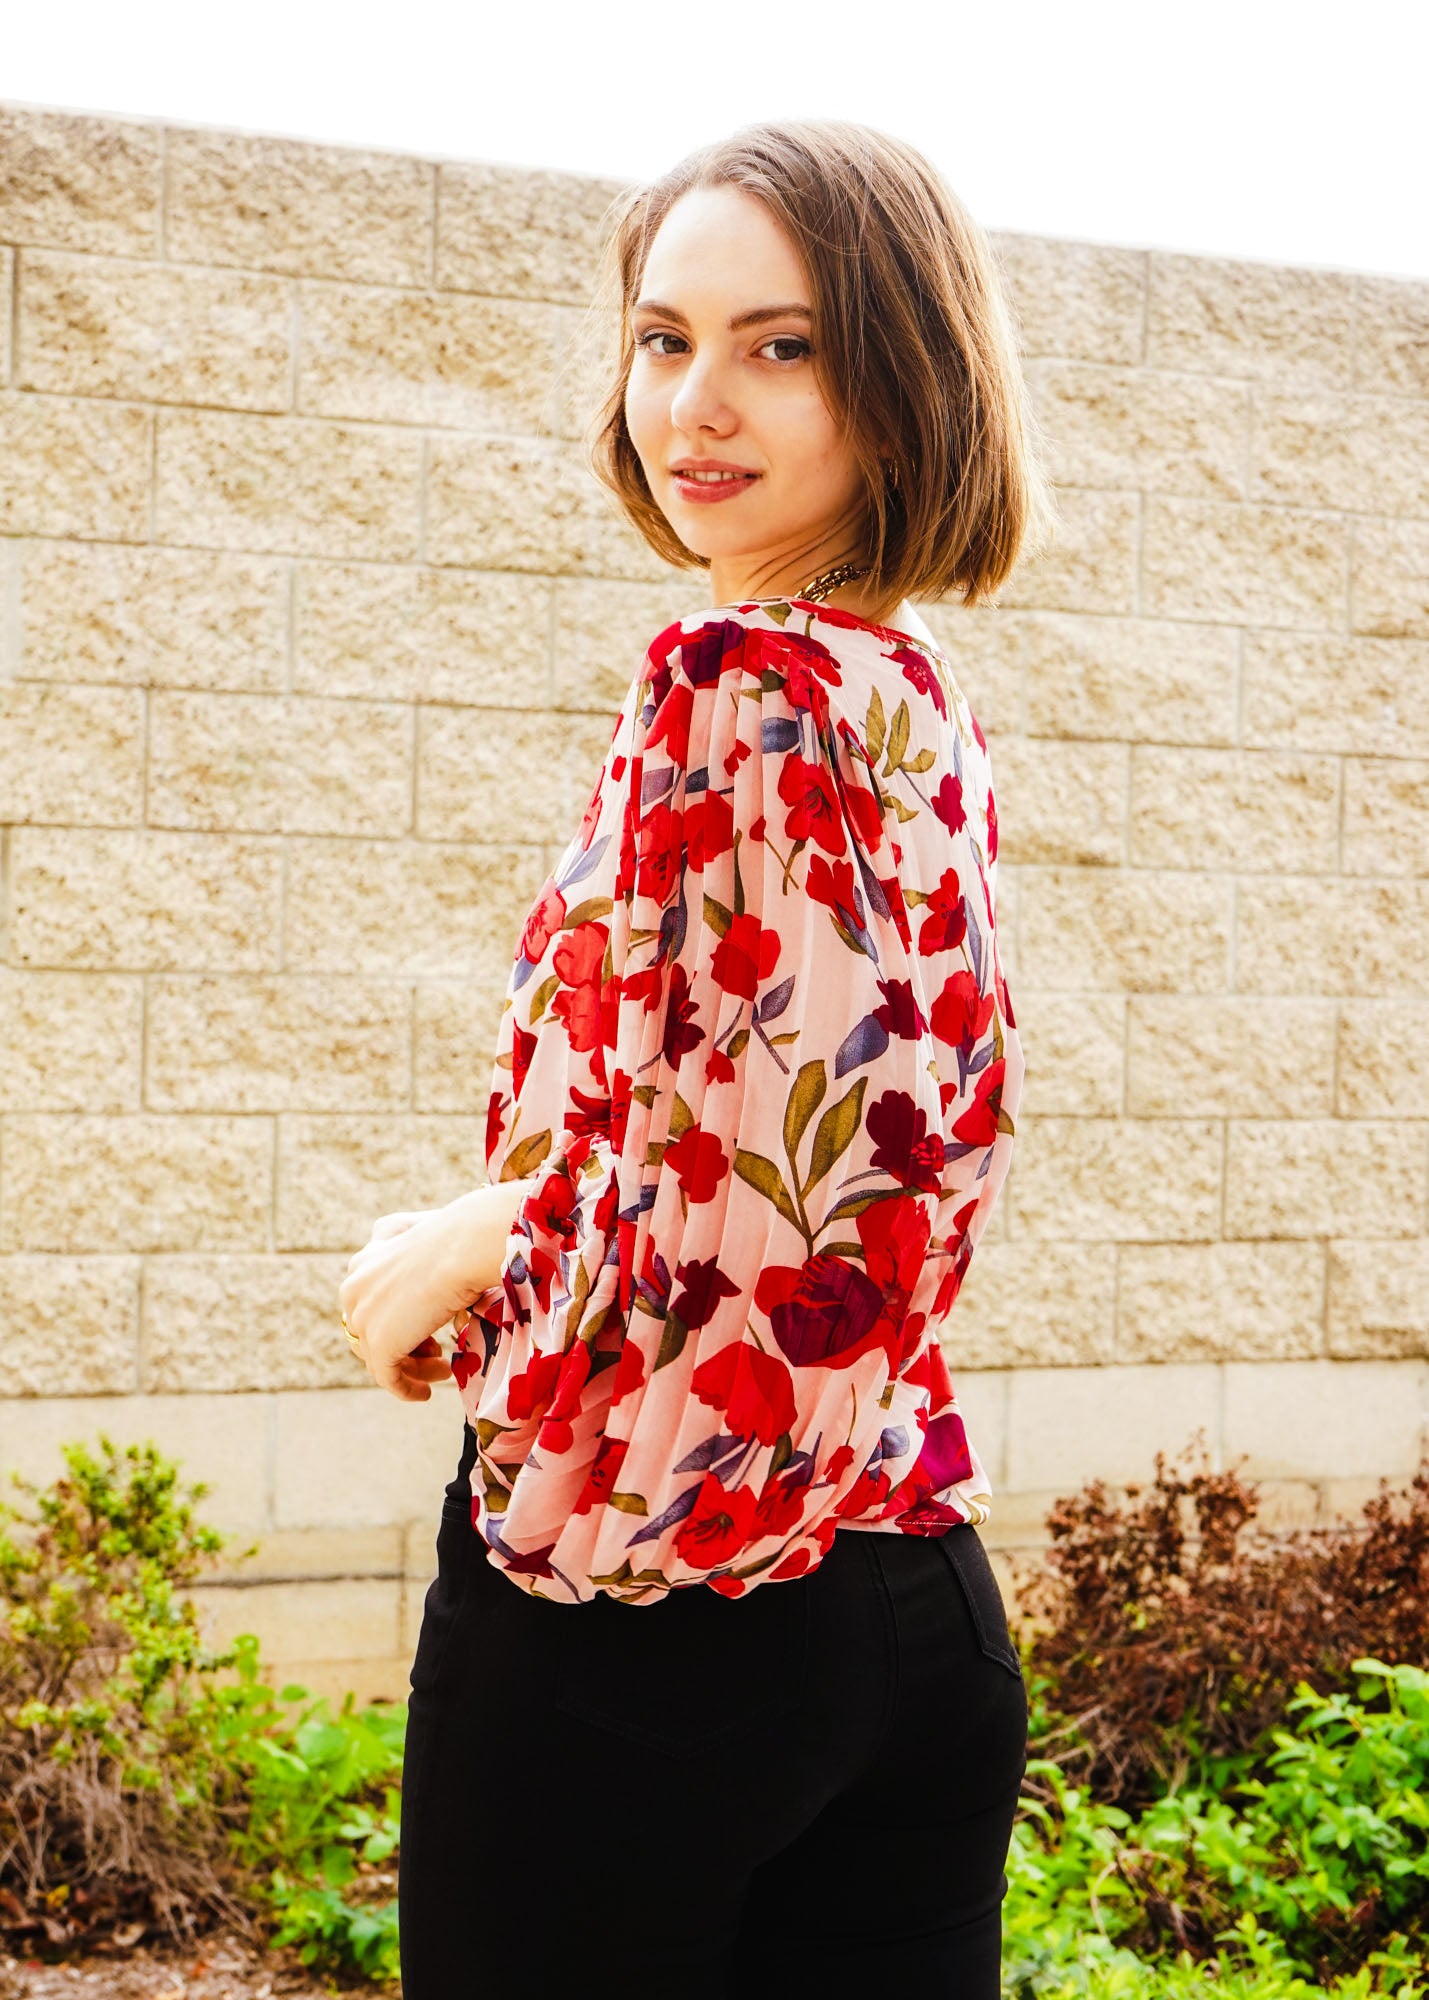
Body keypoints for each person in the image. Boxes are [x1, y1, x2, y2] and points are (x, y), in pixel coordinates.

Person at [338, 117, 1056, 1998]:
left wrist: (485, 1238)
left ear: (901, 385)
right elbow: (816, 1140)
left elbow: (716, 1215)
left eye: (781, 344)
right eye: (664, 338)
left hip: (645, 1610)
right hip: (906, 1592)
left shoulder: (725, 682)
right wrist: (519, 1208)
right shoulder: (909, 696)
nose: (696, 405)